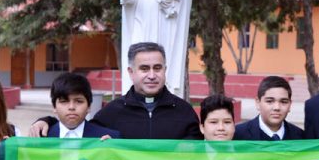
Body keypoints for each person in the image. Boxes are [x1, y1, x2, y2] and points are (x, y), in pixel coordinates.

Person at [30, 42, 201, 140]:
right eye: (144, 68)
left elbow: (198, 157)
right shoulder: (111, 113)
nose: (151, 75)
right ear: (130, 72)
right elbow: (78, 128)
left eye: (157, 68)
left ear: (165, 70)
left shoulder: (184, 112)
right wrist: (47, 121)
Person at [47, 72, 120, 139]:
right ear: (54, 106)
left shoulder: (108, 138)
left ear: (89, 106)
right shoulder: (41, 138)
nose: (71, 107)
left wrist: (113, 150)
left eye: (79, 101)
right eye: (64, 101)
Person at [233, 76, 304, 141]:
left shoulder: (301, 137)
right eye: (269, 101)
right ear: (258, 103)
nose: (277, 108)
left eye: (283, 102)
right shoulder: (237, 135)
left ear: (290, 104)